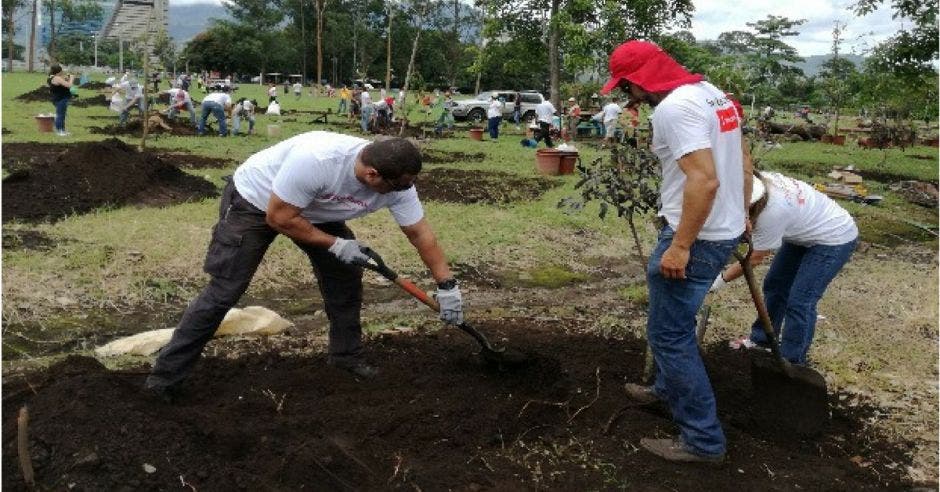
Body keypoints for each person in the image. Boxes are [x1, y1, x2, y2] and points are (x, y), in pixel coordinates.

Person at [143, 134, 464, 400]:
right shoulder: (319, 161)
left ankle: (345, 358)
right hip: (257, 202)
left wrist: (447, 285)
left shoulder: (399, 183)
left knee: (344, 279)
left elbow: (419, 233)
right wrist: (336, 244)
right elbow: (279, 218)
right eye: (396, 187)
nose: (402, 193)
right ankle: (164, 379)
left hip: (315, 212)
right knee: (225, 290)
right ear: (372, 176)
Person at [604, 40, 751, 464]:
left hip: (696, 236)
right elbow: (742, 158)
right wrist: (743, 215)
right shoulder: (713, 94)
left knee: (669, 336)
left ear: (639, 80)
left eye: (626, 87)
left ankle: (703, 441)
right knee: (672, 324)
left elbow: (703, 181)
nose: (628, 97)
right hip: (720, 227)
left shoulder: (673, 109)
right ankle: (665, 391)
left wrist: (681, 245)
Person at [709, 171, 858, 364]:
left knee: (800, 301)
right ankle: (761, 340)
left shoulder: (772, 213)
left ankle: (792, 360)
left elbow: (753, 259)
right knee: (775, 285)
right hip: (804, 229)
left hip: (834, 237)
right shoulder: (756, 183)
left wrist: (719, 281)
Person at [47, 64, 74, 137]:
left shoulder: (53, 77)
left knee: (62, 114)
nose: (62, 72)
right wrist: (71, 78)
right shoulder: (57, 78)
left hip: (59, 98)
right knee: (60, 115)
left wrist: (66, 79)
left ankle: (63, 130)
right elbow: (69, 85)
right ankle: (59, 131)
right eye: (61, 71)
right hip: (61, 99)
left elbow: (62, 85)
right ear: (58, 71)